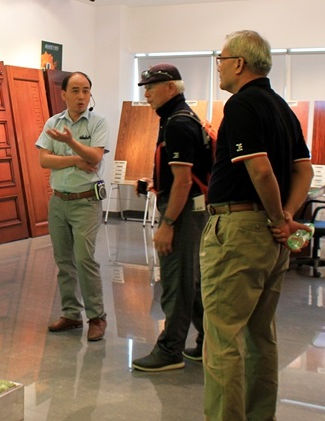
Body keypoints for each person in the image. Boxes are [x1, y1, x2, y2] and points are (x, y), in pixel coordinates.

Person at [201, 30, 313, 420]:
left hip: (239, 230)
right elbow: (304, 169)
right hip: (270, 236)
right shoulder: (282, 108)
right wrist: (286, 216)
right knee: (261, 336)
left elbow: (261, 170)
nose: (218, 66)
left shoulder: (242, 105)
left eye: (220, 58)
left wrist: (278, 216)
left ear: (238, 63)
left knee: (223, 337)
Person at [131, 64, 210, 372]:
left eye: (151, 87)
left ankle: (170, 350)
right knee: (191, 281)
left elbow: (184, 181)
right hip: (190, 208)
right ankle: (208, 341)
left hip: (183, 211)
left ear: (171, 88)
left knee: (176, 281)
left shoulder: (178, 123)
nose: (147, 94)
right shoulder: (179, 117)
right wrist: (157, 182)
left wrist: (167, 225)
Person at [35, 71, 109, 341]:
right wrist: (76, 160)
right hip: (59, 201)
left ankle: (97, 317)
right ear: (63, 94)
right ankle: (70, 314)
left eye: (86, 90)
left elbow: (95, 157)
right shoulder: (53, 122)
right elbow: (44, 160)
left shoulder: (98, 122)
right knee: (64, 261)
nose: (81, 96)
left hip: (86, 202)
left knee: (84, 259)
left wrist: (69, 144)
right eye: (75, 90)